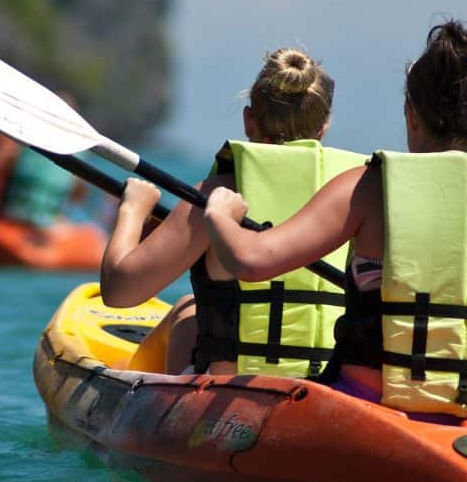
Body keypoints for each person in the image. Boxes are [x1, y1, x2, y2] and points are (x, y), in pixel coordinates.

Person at [204, 21, 467, 419]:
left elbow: (251, 260)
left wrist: (221, 214)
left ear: (411, 115)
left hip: (369, 407)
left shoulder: (371, 189)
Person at [101, 47, 366, 376]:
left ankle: (132, 382)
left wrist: (133, 210)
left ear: (248, 121)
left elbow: (119, 293)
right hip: (330, 388)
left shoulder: (219, 193)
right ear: (322, 129)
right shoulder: (358, 196)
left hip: (230, 393)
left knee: (186, 312)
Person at [0, 128, 87, 228]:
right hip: (53, 223)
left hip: (8, 219)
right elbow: (79, 194)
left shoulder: (14, 139)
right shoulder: (73, 150)